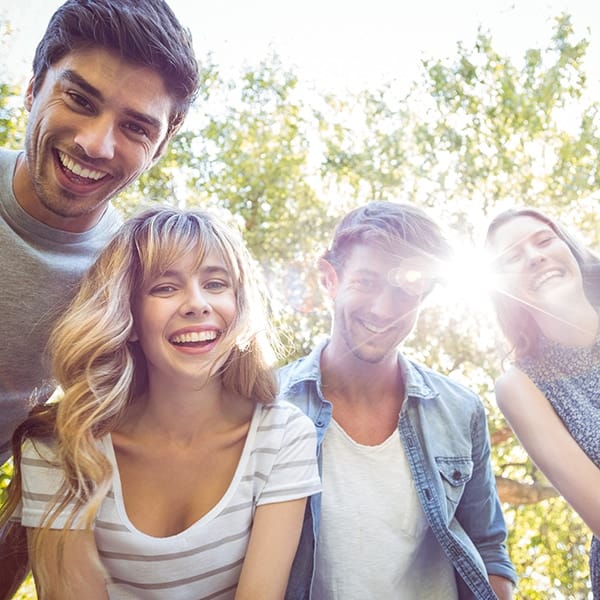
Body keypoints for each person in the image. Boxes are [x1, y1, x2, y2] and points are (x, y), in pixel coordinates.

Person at [0, 207, 321, 599]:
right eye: (165, 287)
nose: (197, 303)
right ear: (127, 317)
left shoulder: (283, 436)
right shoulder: (60, 447)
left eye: (216, 283)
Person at [0, 0, 199, 595]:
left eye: (136, 126)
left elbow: (76, 441)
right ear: (33, 87)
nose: (95, 143)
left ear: (162, 144)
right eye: (79, 99)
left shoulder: (127, 276)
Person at [278, 201, 517, 600]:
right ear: (329, 279)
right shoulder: (268, 404)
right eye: (366, 282)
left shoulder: (460, 411)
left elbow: (489, 548)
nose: (384, 309)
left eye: (406, 290)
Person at [485, 207, 600, 596]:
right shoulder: (521, 387)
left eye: (544, 240)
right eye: (513, 258)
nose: (535, 256)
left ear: (570, 249)